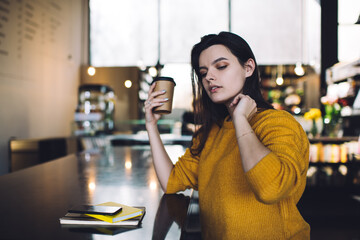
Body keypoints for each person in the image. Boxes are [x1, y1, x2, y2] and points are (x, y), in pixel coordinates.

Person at [144, 31, 310, 239]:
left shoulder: (279, 124)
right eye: (203, 73)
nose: (209, 77)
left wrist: (241, 119)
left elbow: (271, 189)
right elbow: (171, 182)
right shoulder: (211, 132)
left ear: (248, 68)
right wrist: (151, 126)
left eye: (221, 66)